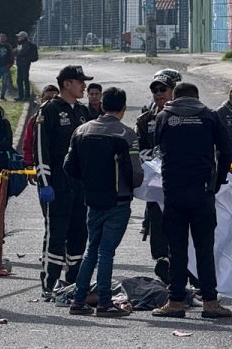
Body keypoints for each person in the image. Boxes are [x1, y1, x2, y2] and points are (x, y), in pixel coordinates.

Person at [151, 82, 232, 319]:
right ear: (196, 96)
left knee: (176, 250)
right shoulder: (209, 116)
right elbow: (226, 151)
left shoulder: (164, 117)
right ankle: (210, 302)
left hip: (174, 192)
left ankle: (176, 301)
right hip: (202, 191)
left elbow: (157, 147)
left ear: (175, 97)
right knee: (205, 248)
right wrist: (218, 180)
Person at [63, 87, 135, 318]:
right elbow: (136, 174)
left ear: (102, 105)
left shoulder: (81, 131)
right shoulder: (127, 135)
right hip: (118, 201)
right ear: (123, 108)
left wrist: (88, 181)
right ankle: (104, 302)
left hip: (92, 200)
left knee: (91, 250)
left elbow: (69, 166)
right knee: (106, 251)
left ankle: (78, 299)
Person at [35, 65, 94, 296]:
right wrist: (44, 181)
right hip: (57, 182)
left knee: (79, 232)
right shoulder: (48, 111)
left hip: (79, 184)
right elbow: (41, 149)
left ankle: (74, 281)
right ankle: (49, 282)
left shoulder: (83, 111)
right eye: (80, 82)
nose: (84, 86)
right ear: (67, 84)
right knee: (56, 233)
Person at [136, 71, 179, 282]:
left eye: (163, 89)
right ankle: (164, 268)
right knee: (159, 232)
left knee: (180, 231)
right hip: (154, 185)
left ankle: (182, 271)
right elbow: (139, 150)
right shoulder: (145, 120)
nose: (158, 94)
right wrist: (154, 157)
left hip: (179, 183)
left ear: (173, 91)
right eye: (155, 90)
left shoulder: (184, 116)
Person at [14, 31, 39, 102]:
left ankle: (27, 96)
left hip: (25, 64)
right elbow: (17, 52)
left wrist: (26, 59)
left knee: (25, 79)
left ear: (23, 37)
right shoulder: (19, 44)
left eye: (19, 37)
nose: (18, 38)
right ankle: (20, 96)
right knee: (19, 80)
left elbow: (33, 56)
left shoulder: (29, 45)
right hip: (19, 64)